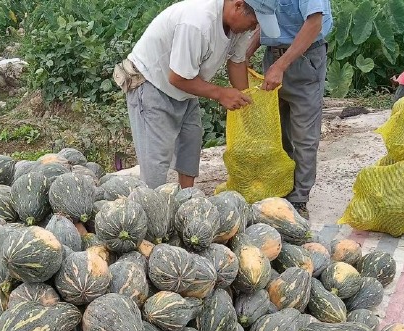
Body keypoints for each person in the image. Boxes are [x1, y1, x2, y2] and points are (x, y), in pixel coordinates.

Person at [114, 0, 281, 190]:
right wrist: (221, 94)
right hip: (152, 83)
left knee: (190, 143)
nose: (255, 28)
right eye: (254, 22)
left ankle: (188, 200)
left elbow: (236, 62)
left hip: (186, 85)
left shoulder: (238, 28)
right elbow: (177, 77)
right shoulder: (197, 23)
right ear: (238, 6)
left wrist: (246, 102)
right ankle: (151, 209)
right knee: (156, 159)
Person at [246, 0, 333, 219]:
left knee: (304, 133)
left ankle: (299, 198)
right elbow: (266, 19)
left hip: (304, 58)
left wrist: (281, 66)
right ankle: (283, 186)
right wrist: (245, 53)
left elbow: (314, 23)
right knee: (276, 130)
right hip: (274, 55)